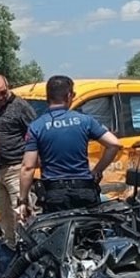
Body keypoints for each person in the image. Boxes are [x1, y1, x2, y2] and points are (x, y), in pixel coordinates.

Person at [18, 75, 122, 218]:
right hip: (84, 189)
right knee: (89, 235)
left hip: (54, 193)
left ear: (49, 96)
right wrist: (97, 170)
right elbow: (114, 144)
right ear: (68, 95)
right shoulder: (85, 121)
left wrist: (22, 200)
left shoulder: (37, 127)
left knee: (59, 236)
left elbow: (28, 167)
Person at [0, 74, 37, 242]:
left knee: (22, 212)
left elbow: (34, 133)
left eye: (3, 93)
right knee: (4, 213)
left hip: (17, 167)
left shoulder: (21, 106)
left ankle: (28, 246)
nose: (0, 98)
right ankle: (10, 245)